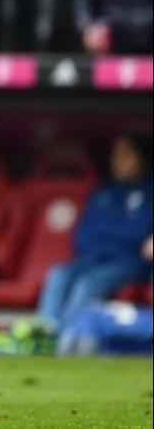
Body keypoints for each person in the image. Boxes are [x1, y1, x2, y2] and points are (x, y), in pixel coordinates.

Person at [36, 133, 153, 350]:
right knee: (58, 273)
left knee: (87, 284)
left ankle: (67, 341)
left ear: (142, 158)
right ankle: (44, 337)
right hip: (93, 259)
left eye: (126, 155)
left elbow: (140, 235)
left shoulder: (149, 191)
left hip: (130, 262)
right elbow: (83, 234)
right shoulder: (103, 191)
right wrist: (118, 235)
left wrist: (116, 236)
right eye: (116, 156)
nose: (118, 161)